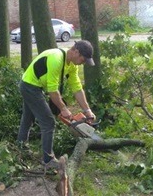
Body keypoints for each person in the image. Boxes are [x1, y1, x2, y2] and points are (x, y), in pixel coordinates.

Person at [17, 40, 96, 169]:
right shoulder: (56, 59)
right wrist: (63, 108)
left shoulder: (72, 65)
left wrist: (87, 110)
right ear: (76, 52)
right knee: (48, 122)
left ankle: (21, 148)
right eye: (83, 59)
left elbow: (77, 88)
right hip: (29, 86)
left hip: (35, 86)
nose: (83, 63)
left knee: (28, 118)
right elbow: (52, 90)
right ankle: (48, 160)